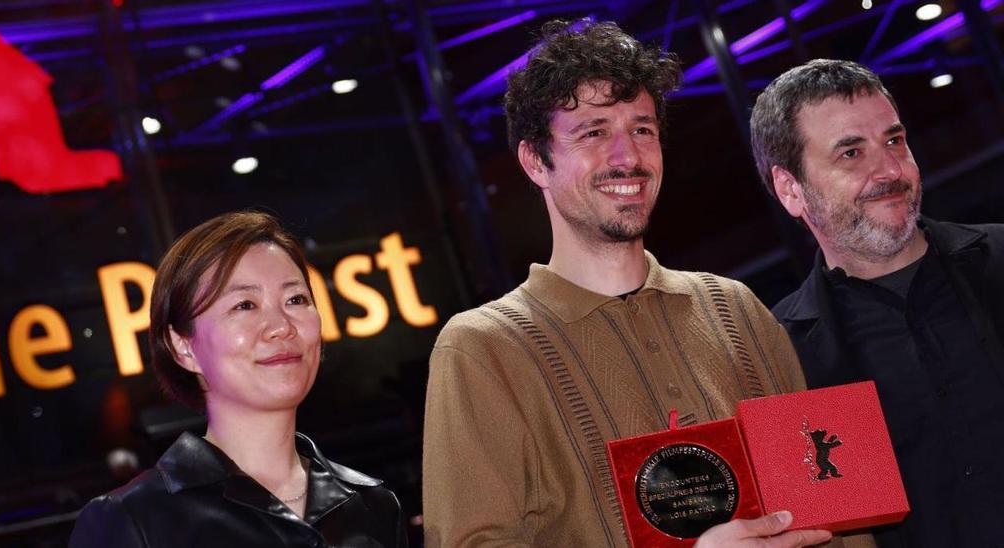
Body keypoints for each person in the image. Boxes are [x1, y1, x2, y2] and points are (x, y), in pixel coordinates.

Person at [422, 20, 872, 547]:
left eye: (642, 129)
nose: (627, 157)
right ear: (534, 161)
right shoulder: (481, 349)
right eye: (593, 133)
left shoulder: (737, 308)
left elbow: (838, 513)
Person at [750, 59, 1004, 547]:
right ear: (790, 189)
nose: (889, 169)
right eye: (850, 152)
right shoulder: (783, 357)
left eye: (895, 140)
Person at [70, 211, 407, 547]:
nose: (281, 326)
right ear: (184, 346)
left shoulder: (372, 504)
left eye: (296, 299)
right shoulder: (132, 520)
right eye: (245, 305)